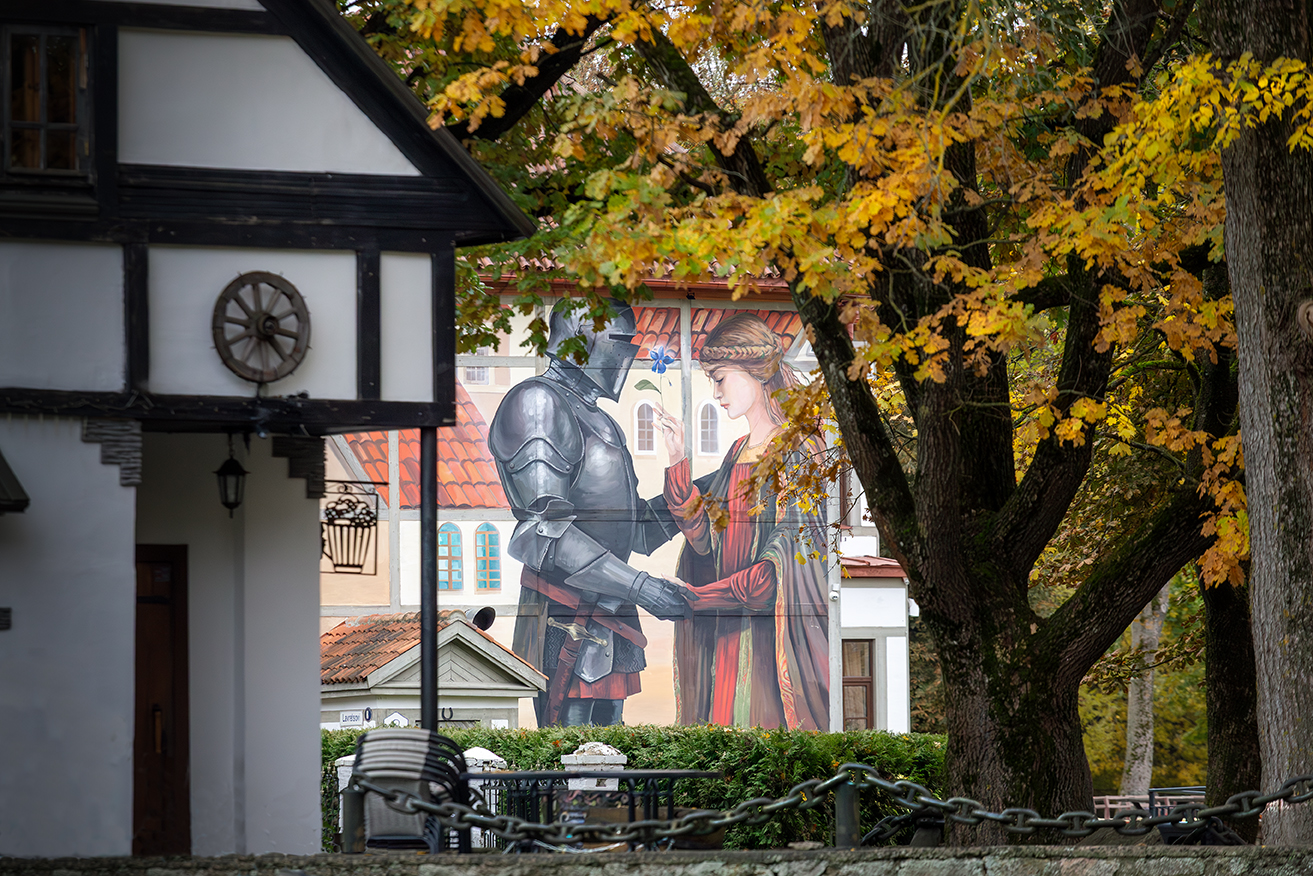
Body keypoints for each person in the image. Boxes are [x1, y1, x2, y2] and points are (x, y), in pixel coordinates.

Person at [488, 299, 691, 727]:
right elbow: (545, 532)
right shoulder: (538, 403)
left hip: (611, 608)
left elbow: (632, 531)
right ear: (583, 340)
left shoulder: (603, 421)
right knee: (572, 751)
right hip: (563, 615)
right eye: (618, 341)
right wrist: (642, 587)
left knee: (612, 746)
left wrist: (710, 489)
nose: (625, 353)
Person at [656, 312, 830, 730]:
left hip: (772, 645)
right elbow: (706, 541)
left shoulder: (801, 449)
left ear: (755, 373)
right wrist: (678, 460)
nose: (715, 392)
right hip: (728, 632)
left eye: (720, 378)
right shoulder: (737, 451)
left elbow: (782, 566)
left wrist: (698, 598)